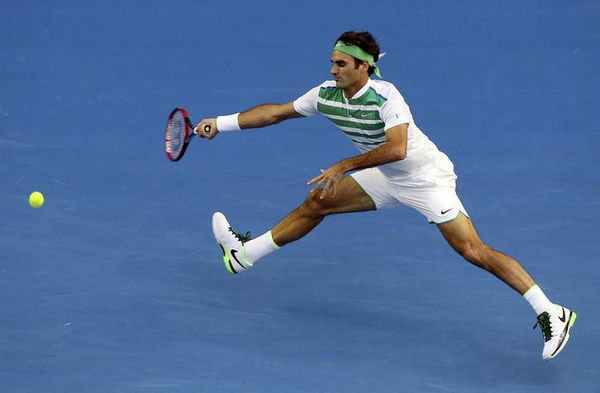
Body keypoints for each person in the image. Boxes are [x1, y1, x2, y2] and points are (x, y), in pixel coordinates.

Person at [195, 31, 576, 360]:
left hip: (426, 178)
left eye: (341, 64)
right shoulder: (326, 95)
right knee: (318, 203)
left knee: (472, 251)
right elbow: (276, 113)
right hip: (385, 175)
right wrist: (222, 123)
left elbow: (398, 148)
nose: (332, 70)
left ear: (363, 67)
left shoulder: (386, 95)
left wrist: (345, 164)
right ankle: (244, 256)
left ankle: (551, 311)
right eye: (331, 62)